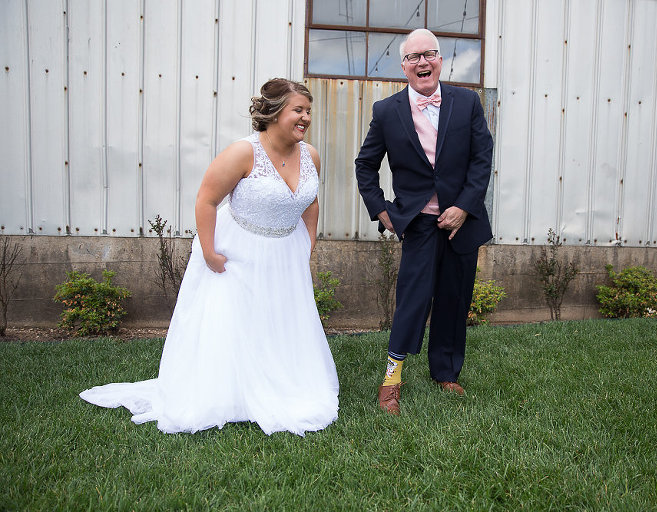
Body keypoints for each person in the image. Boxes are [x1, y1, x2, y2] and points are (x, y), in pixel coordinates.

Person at [80, 78, 339, 435]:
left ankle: (285, 383)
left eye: (309, 111)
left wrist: (309, 240)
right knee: (235, 321)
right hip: (238, 252)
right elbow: (206, 199)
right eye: (298, 110)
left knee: (282, 319)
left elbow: (310, 201)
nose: (306, 117)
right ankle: (233, 392)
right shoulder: (242, 153)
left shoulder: (311, 156)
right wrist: (208, 252)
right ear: (274, 112)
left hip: (286, 253)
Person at [355, 29, 493, 415]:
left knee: (454, 299)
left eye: (429, 54)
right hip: (416, 224)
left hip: (461, 224)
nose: (423, 63)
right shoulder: (386, 112)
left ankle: (445, 372)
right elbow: (365, 166)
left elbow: (482, 158)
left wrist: (464, 206)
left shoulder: (467, 102)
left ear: (440, 60)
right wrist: (382, 210)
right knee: (412, 303)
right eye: (414, 57)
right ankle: (391, 380)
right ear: (404, 67)